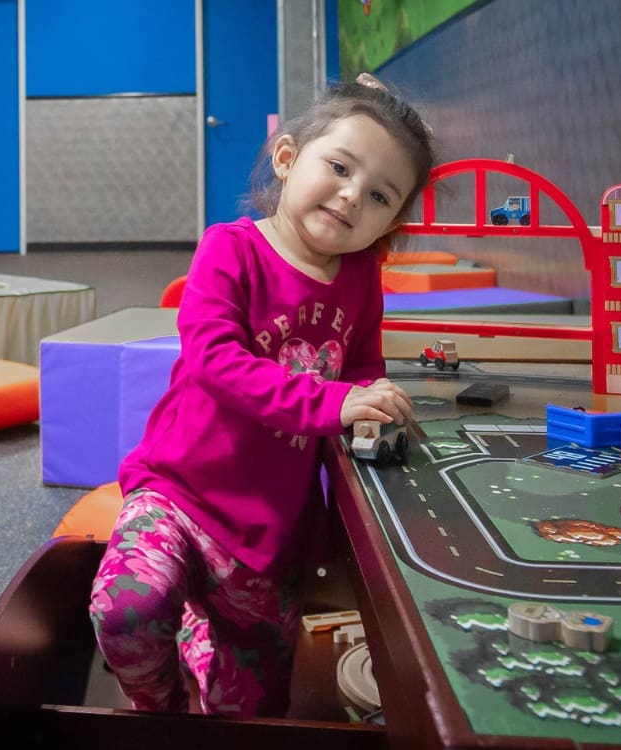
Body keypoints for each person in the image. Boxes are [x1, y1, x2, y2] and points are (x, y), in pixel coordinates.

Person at [88, 74, 437, 718]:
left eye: (381, 195)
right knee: (127, 610)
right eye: (339, 166)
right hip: (179, 492)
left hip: (269, 530)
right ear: (285, 158)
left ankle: (202, 637)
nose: (352, 195)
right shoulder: (231, 249)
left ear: (392, 222)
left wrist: (373, 406)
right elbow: (216, 361)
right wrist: (332, 403)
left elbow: (360, 368)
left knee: (252, 713)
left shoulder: (361, 278)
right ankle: (158, 702)